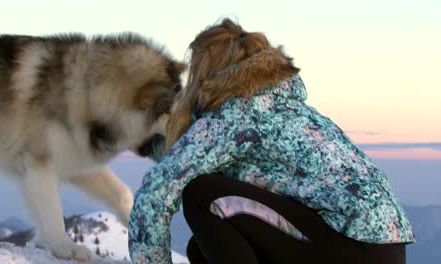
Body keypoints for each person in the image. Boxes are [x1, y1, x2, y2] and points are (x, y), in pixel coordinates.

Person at [128, 18, 414, 264]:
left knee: (201, 196)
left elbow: (157, 193)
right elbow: (200, 161)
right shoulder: (286, 108)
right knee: (203, 247)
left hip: (351, 246)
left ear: (208, 72)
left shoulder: (239, 112)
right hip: (379, 250)